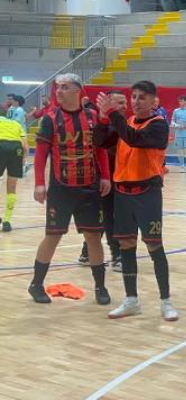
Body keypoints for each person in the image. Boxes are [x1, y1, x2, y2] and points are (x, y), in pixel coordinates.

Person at [94, 80, 179, 322]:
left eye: (142, 97)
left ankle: (166, 301)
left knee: (154, 246)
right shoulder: (128, 122)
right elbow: (100, 142)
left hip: (147, 193)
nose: (136, 102)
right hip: (123, 193)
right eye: (133, 97)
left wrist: (113, 113)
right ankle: (131, 300)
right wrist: (103, 119)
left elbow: (133, 138)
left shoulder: (158, 125)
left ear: (154, 101)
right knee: (126, 245)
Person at [27, 73, 111, 305]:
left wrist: (105, 176)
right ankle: (36, 284)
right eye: (58, 87)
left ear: (77, 90)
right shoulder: (49, 119)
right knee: (53, 236)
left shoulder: (92, 117)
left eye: (64, 87)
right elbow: (40, 154)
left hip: (89, 188)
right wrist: (39, 183)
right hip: (61, 189)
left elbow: (100, 149)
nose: (59, 91)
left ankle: (100, 286)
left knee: (93, 237)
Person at [78, 91, 126, 272]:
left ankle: (87, 253)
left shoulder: (124, 124)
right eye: (119, 103)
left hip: (120, 179)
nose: (124, 106)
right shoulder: (100, 126)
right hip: (103, 179)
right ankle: (116, 255)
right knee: (108, 217)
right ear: (107, 103)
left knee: (108, 217)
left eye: (125, 102)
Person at [0, 107, 27, 232]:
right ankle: (7, 220)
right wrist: (24, 160)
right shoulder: (16, 124)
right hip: (17, 149)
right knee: (12, 187)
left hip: (1, 145)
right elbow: (25, 145)